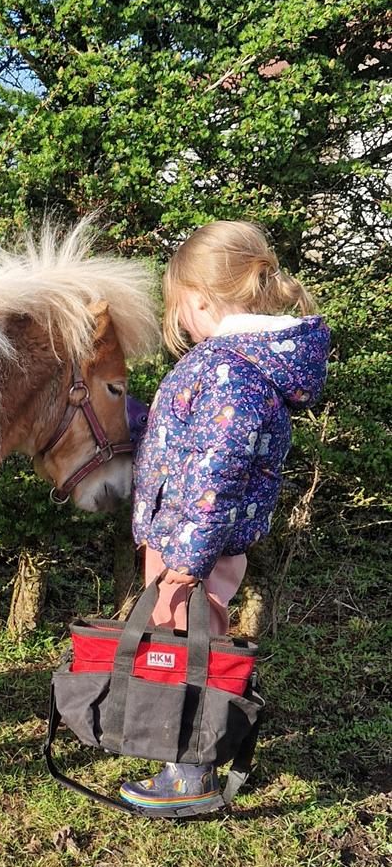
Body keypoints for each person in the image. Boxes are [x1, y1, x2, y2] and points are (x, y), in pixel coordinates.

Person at [120, 220, 330, 817]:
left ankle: (190, 774)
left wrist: (185, 562)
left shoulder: (227, 368)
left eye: (178, 306)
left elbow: (214, 476)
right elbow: (191, 441)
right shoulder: (239, 363)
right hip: (194, 538)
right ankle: (182, 755)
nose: (179, 319)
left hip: (192, 543)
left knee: (191, 648)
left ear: (203, 300)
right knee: (189, 643)